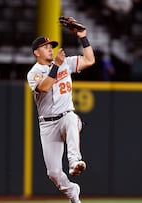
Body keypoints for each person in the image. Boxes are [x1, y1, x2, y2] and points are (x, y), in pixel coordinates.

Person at [26, 27, 95, 203]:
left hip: (65, 116)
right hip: (47, 125)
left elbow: (89, 60)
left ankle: (74, 161)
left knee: (71, 118)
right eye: (45, 46)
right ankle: (73, 192)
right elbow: (44, 87)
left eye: (51, 45)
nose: (50, 48)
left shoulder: (66, 63)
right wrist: (56, 64)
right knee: (53, 173)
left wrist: (83, 37)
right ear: (36, 52)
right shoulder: (33, 72)